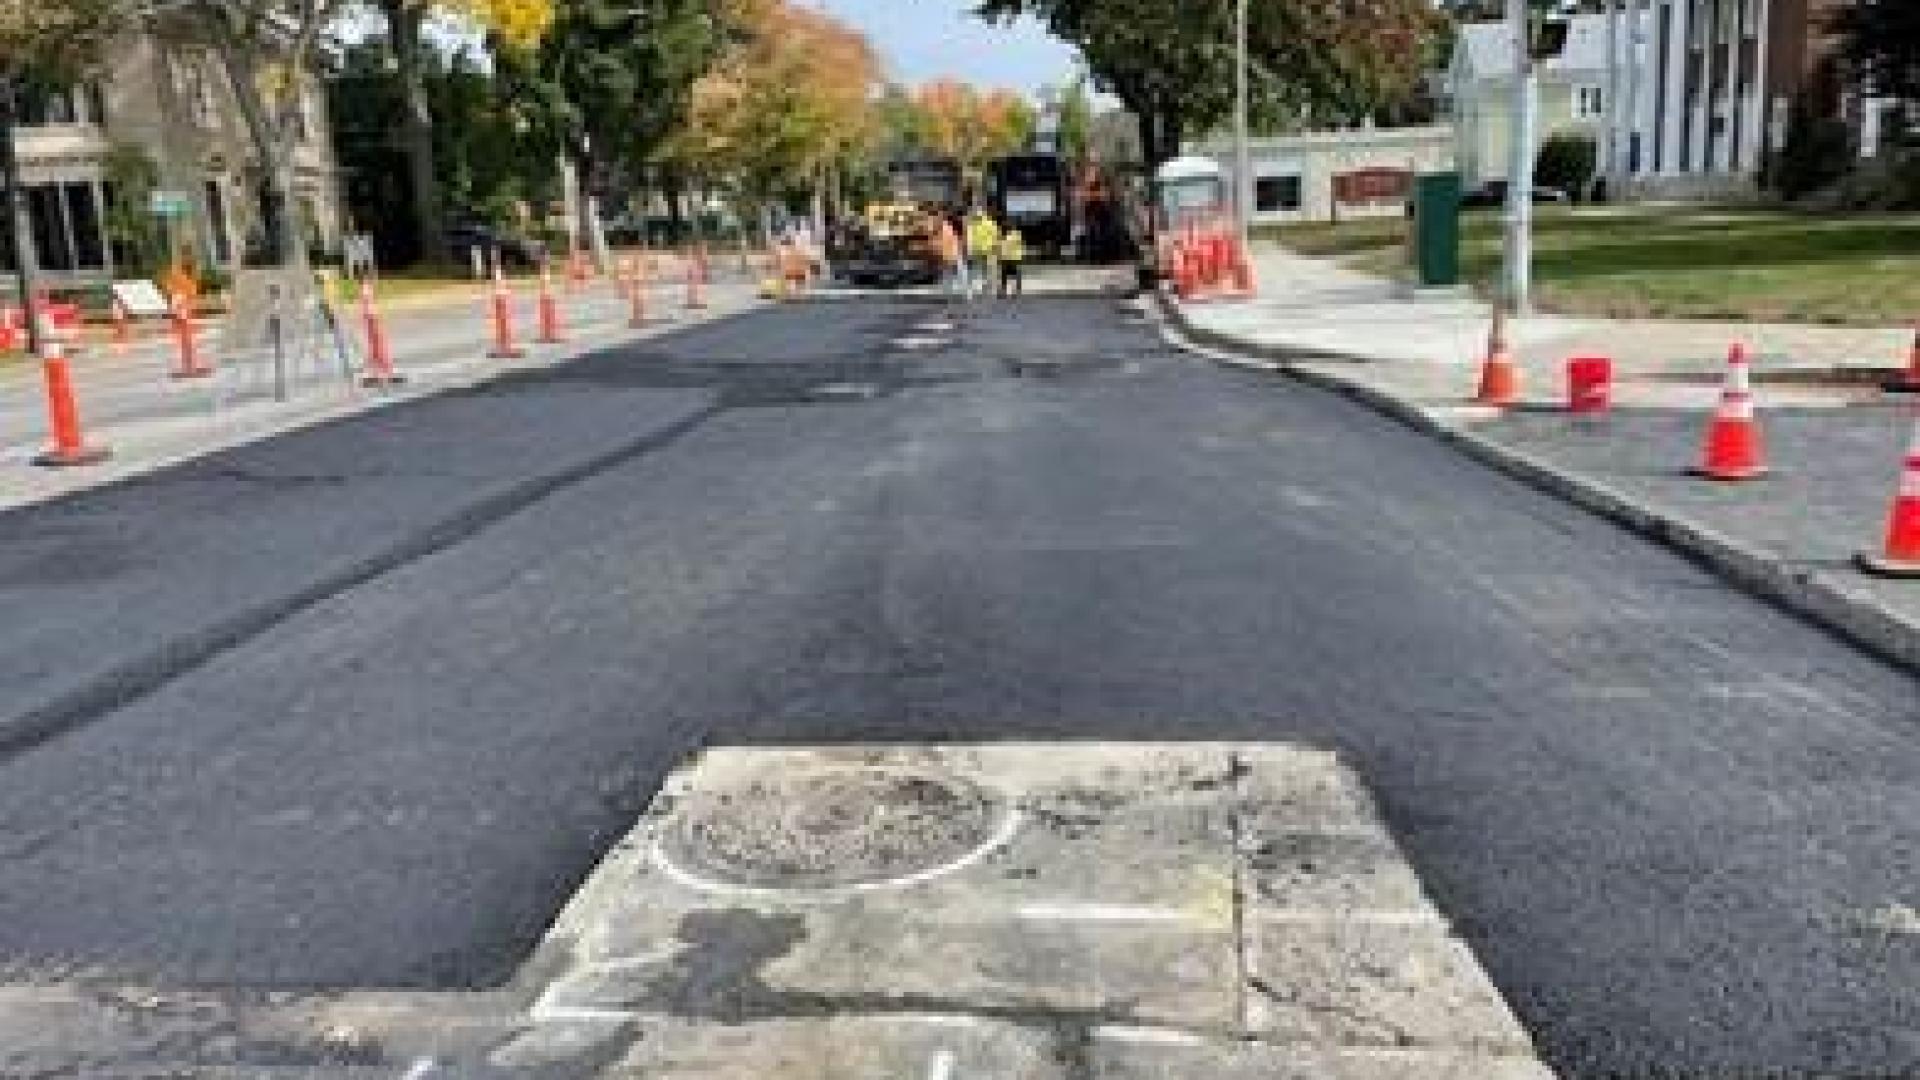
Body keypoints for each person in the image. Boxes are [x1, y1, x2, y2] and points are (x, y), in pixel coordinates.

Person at [965, 207, 1000, 301]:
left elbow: (970, 239)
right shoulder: (989, 223)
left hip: (979, 250)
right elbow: (995, 236)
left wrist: (970, 250)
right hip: (988, 250)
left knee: (979, 271)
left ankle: (982, 289)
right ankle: (991, 289)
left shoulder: (973, 224)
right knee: (989, 271)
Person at [935, 212, 966, 304]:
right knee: (958, 274)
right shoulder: (948, 230)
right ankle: (957, 292)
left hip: (947, 256)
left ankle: (949, 293)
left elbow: (942, 244)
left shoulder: (943, 231)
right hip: (953, 255)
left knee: (948, 275)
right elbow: (953, 243)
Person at [998, 222, 1025, 299]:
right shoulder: (1010, 236)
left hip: (1011, 258)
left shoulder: (1013, 236)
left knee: (1010, 275)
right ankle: (1009, 291)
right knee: (1007, 275)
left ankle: (1012, 291)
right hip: (1009, 258)